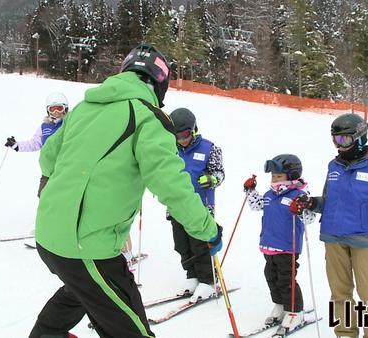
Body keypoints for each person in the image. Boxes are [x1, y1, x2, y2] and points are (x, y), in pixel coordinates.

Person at [29, 43, 222, 338]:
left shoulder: (83, 108)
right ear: (160, 84)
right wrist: (207, 229)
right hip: (87, 247)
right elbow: (172, 185)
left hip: (49, 235)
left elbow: (47, 159)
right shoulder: (149, 117)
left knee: (84, 289)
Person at [290, 113, 368, 338]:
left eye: (344, 140)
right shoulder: (334, 166)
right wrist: (311, 203)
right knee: (340, 292)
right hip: (334, 236)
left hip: (362, 237)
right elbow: (329, 201)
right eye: (335, 140)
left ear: (359, 137)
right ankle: (346, 333)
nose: (339, 145)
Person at [243, 154, 308, 334]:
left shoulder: (299, 195)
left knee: (287, 280)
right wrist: (250, 191)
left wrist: (302, 207)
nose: (274, 179)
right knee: (271, 277)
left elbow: (309, 218)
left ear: (292, 175)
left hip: (288, 247)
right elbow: (256, 206)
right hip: (269, 245)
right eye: (272, 176)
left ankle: (295, 311)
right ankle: (280, 305)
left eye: (278, 176)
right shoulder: (269, 195)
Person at [168, 107, 225, 303]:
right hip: (177, 204)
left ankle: (208, 280)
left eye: (185, 135)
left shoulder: (209, 148)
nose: (182, 139)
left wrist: (211, 179)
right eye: (178, 135)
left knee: (199, 243)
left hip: (201, 205)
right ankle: (191, 275)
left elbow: (220, 173)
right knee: (182, 243)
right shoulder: (170, 148)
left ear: (193, 130)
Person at [4, 92, 69, 197]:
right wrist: (17, 146)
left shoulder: (69, 123)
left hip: (65, 170)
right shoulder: (45, 126)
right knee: (43, 196)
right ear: (48, 110)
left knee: (62, 197)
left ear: (65, 109)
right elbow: (35, 143)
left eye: (59, 108)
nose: (56, 112)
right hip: (48, 172)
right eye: (53, 109)